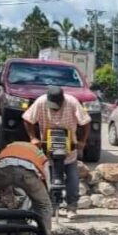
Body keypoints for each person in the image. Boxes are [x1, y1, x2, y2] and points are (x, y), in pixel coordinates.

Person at [23, 86, 90, 221]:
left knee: (73, 179)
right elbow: (27, 119)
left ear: (62, 101)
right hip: (49, 151)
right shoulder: (41, 102)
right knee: (50, 180)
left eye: (56, 106)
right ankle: (52, 206)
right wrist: (33, 138)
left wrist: (82, 141)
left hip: (69, 150)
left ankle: (72, 207)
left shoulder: (72, 102)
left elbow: (86, 122)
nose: (54, 108)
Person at [0, 141, 53, 232]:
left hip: (3, 168)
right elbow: (46, 176)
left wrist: (1, 190)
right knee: (44, 205)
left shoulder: (10, 146)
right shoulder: (40, 153)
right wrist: (46, 193)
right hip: (27, 172)